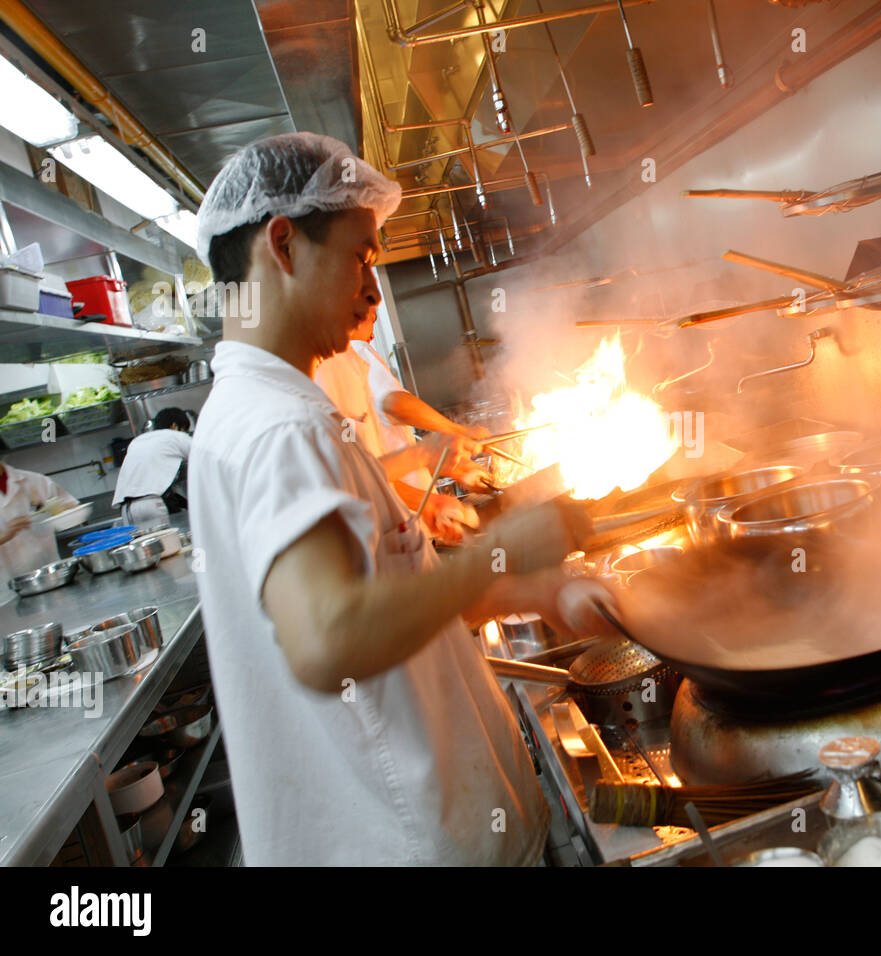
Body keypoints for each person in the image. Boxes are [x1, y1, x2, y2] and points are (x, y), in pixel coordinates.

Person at [189, 132, 612, 866]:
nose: (372, 291)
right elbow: (331, 643)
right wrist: (494, 553)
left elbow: (393, 604)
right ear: (282, 245)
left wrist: (541, 593)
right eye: (361, 257)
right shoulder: (277, 429)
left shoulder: (279, 410)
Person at [313, 317, 485, 544]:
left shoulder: (351, 359)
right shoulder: (348, 356)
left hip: (407, 524)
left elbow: (375, 469)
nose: (373, 334)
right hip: (383, 536)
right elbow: (394, 405)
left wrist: (448, 471)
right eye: (372, 317)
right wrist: (454, 432)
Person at [0, 458, 78, 584]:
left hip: (50, 574)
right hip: (5, 589)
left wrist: (61, 510)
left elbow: (74, 511)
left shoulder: (34, 481)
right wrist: (3, 536)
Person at [112, 407, 193, 512]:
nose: (185, 433)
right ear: (175, 426)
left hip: (127, 507)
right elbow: (204, 457)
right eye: (184, 429)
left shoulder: (137, 441)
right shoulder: (175, 436)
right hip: (153, 503)